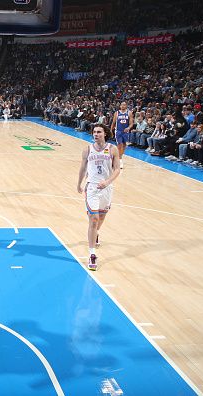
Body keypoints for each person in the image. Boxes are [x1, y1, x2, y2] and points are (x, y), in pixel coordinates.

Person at [77, 123, 121, 271]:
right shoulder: (87, 149)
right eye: (94, 132)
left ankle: (95, 234)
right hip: (92, 188)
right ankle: (92, 254)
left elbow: (117, 170)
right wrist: (79, 184)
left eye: (99, 132)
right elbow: (82, 168)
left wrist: (107, 182)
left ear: (105, 133)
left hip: (107, 188)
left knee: (101, 218)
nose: (96, 134)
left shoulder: (113, 149)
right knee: (93, 219)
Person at [110, 101, 133, 169]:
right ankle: (119, 160)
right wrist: (111, 130)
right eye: (122, 105)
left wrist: (128, 128)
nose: (123, 106)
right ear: (120, 106)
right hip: (118, 131)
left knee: (124, 145)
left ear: (126, 106)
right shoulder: (117, 113)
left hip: (125, 132)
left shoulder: (129, 113)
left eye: (124, 105)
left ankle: (118, 158)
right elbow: (113, 122)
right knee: (120, 145)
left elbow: (131, 123)